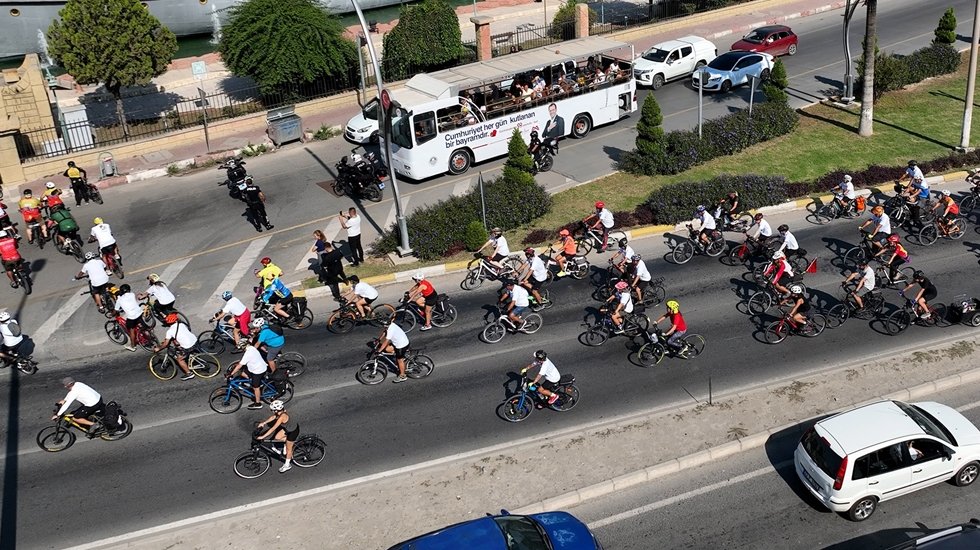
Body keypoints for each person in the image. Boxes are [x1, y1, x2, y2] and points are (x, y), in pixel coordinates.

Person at [256, 400, 299, 473]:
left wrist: (263, 436)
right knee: (277, 437)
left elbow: (273, 428)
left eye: (272, 410)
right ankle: (286, 443)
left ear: (276, 410)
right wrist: (264, 423)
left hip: (293, 431)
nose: (272, 411)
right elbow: (273, 417)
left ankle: (287, 465)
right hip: (288, 428)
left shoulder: (282, 416)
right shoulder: (280, 412)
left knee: (289, 449)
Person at [153, 313, 198, 381]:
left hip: (188, 346)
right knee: (178, 346)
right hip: (195, 341)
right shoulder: (182, 324)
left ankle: (189, 373)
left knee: (179, 359)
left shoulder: (170, 331)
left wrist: (158, 348)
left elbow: (165, 344)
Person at [228, 343, 270, 410]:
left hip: (258, 370)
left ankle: (258, 403)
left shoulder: (247, 354)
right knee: (241, 373)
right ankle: (251, 380)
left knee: (256, 387)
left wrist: (231, 374)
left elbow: (239, 366)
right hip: (257, 366)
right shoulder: (252, 348)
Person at [376, 318, 410, 383]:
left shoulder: (391, 330)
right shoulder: (391, 325)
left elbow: (386, 341)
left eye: (383, 325)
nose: (383, 326)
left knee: (399, 360)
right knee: (387, 349)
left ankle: (403, 376)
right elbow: (385, 331)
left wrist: (379, 351)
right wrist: (379, 339)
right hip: (400, 342)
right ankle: (400, 358)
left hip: (401, 345)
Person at [114, 284, 144, 352]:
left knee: (131, 331)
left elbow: (116, 310)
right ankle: (145, 332)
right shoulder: (132, 294)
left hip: (132, 317)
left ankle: (133, 346)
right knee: (139, 323)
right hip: (139, 313)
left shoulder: (119, 299)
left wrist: (112, 314)